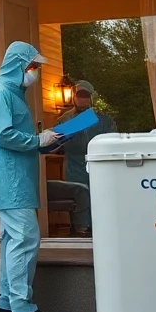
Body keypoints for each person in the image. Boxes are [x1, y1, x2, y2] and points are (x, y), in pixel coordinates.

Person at [0, 41, 62, 312]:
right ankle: (22, 307)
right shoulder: (1, 93)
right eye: (33, 66)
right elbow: (3, 135)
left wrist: (46, 143)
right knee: (26, 239)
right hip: (10, 180)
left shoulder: (13, 93)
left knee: (14, 242)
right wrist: (37, 141)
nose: (36, 71)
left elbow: (17, 137)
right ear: (18, 65)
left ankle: (6, 304)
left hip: (16, 178)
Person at [45, 80, 115, 236]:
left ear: (91, 98)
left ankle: (103, 229)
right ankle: (81, 231)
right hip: (73, 166)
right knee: (79, 198)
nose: (82, 100)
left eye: (86, 96)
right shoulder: (64, 120)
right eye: (79, 96)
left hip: (98, 166)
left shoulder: (104, 121)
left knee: (101, 197)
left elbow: (112, 143)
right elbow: (54, 144)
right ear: (73, 97)